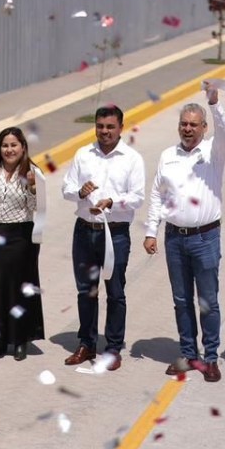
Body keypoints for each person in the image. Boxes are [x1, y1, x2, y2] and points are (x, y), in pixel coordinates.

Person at [144, 85, 225, 383]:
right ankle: (188, 353)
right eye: (184, 124)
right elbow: (157, 194)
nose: (188, 129)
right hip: (174, 238)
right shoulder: (167, 155)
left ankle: (211, 357)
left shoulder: (214, 151)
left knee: (208, 301)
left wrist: (215, 103)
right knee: (181, 300)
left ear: (204, 128)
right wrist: (151, 231)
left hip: (205, 238)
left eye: (194, 124)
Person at [61, 105, 145, 371]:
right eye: (100, 126)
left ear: (121, 128)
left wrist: (113, 202)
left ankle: (112, 348)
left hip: (115, 233)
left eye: (110, 127)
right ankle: (86, 343)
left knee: (115, 293)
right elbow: (66, 188)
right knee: (86, 291)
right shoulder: (83, 154)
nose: (104, 131)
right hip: (85, 231)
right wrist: (80, 192)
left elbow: (138, 198)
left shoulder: (132, 158)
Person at [0, 127, 45, 361]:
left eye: (14, 145)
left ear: (23, 147)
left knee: (20, 288)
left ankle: (21, 339)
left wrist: (33, 187)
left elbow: (37, 207)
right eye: (5, 145)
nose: (9, 150)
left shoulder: (32, 172)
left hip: (21, 235)